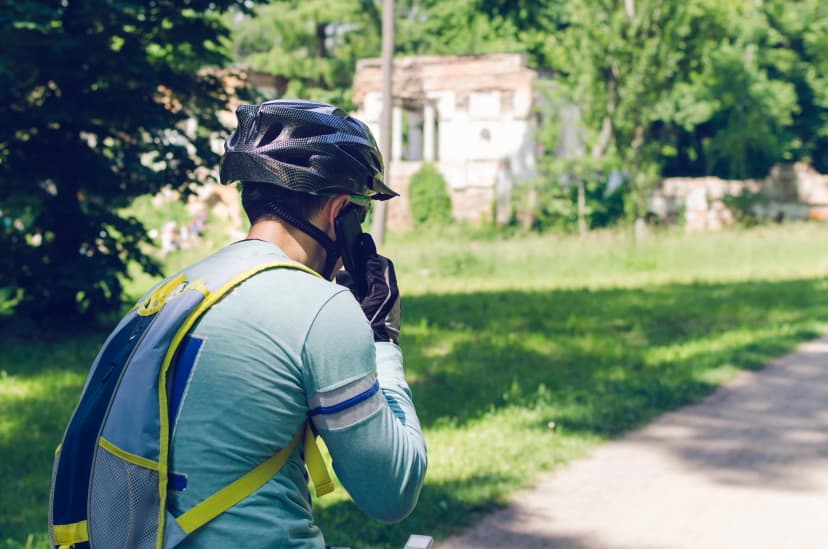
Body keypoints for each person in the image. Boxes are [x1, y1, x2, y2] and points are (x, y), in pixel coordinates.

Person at [165, 99, 427, 548]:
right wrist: (382, 338)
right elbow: (393, 491)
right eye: (360, 211)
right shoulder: (319, 307)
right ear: (339, 211)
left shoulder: (175, 293)